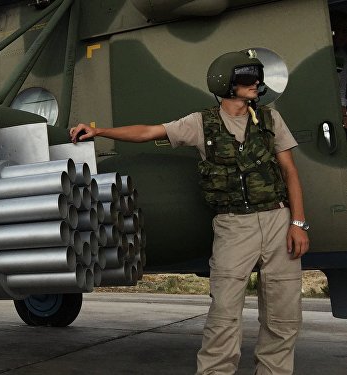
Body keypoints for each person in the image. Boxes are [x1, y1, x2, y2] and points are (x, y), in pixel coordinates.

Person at [70, 50, 309, 375]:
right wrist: (99, 132)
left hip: (278, 219)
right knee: (224, 315)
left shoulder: (270, 120)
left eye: (256, 76)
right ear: (226, 83)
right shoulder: (201, 123)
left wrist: (297, 223)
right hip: (233, 226)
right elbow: (148, 132)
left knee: (283, 316)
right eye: (246, 77)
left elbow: (290, 171)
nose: (255, 82)